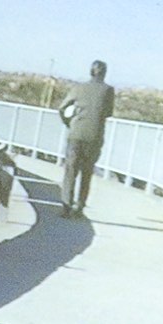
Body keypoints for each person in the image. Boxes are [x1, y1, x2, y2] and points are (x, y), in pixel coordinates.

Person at [58, 60, 115, 217]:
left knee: (70, 170)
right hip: (94, 136)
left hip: (76, 133)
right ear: (104, 73)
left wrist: (69, 123)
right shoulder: (108, 90)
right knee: (87, 172)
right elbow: (108, 112)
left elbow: (62, 107)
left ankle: (66, 206)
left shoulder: (78, 88)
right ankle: (80, 206)